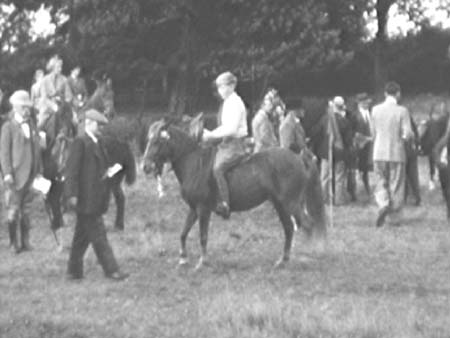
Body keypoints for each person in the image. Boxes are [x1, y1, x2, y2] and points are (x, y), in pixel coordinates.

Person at [64, 109, 128, 281]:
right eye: (99, 125)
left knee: (81, 238)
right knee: (99, 237)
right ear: (89, 123)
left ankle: (73, 272)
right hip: (86, 198)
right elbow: (71, 170)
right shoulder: (80, 142)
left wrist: (109, 171)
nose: (101, 129)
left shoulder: (97, 141)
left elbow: (100, 165)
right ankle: (112, 270)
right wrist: (71, 194)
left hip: (96, 196)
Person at [0, 90, 42, 253]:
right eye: (24, 107)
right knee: (13, 209)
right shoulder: (8, 127)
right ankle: (13, 243)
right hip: (15, 176)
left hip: (31, 174)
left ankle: (26, 241)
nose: (27, 110)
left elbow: (36, 149)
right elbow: (4, 153)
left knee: (26, 209)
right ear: (15, 107)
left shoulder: (32, 124)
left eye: (28, 107)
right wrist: (7, 173)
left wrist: (39, 171)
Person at [202, 71, 248, 219]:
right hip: (227, 143)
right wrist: (211, 134)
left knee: (217, 168)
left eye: (222, 87)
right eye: (218, 87)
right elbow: (224, 127)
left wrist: (211, 135)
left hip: (235, 145)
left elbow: (231, 128)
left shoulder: (235, 103)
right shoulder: (228, 102)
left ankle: (225, 204)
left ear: (232, 86)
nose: (220, 90)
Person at [372, 82, 413, 227]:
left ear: (385, 93)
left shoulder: (375, 110)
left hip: (378, 152)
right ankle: (394, 217)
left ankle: (383, 203)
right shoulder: (402, 111)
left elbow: (373, 132)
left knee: (380, 181)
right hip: (396, 152)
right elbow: (407, 134)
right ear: (398, 93)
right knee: (396, 183)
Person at [37, 55, 73, 128]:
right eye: (58, 67)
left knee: (75, 122)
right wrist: (54, 106)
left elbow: (69, 95)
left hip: (62, 106)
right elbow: (44, 97)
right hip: (48, 107)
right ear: (52, 67)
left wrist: (64, 103)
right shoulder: (45, 80)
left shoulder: (64, 79)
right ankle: (38, 136)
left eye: (61, 67)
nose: (60, 69)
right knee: (40, 124)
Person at [353, 92, 374, 198]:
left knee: (366, 168)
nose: (367, 104)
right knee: (359, 168)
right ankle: (359, 189)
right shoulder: (355, 115)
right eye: (365, 103)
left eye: (368, 102)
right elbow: (354, 132)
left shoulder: (370, 113)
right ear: (360, 103)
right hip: (360, 145)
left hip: (369, 145)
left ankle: (367, 187)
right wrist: (366, 139)